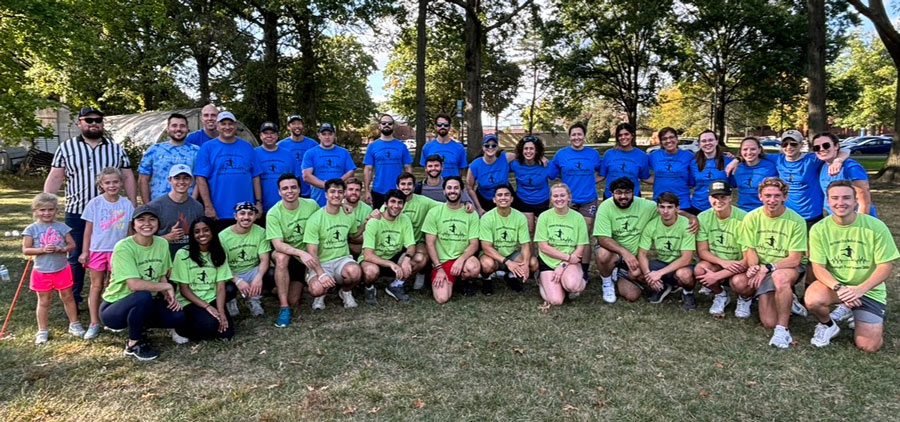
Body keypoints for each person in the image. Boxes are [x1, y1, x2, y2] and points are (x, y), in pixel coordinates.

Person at [44, 106, 136, 310]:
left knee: (116, 255)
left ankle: (113, 299)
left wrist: (133, 203)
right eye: (89, 120)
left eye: (98, 120)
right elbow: (56, 176)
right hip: (77, 210)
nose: (94, 123)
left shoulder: (116, 148)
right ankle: (75, 299)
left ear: (102, 123)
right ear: (80, 123)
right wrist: (47, 204)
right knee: (76, 256)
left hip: (112, 212)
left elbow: (127, 176)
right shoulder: (66, 148)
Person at [804, 180, 898, 352]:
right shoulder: (819, 229)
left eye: (846, 198)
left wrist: (860, 289)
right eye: (835, 198)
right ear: (828, 201)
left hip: (868, 290)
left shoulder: (876, 227)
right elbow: (818, 267)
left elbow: (885, 266)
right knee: (813, 299)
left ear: (855, 201)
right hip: (836, 287)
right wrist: (839, 288)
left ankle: (852, 308)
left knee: (869, 346)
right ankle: (828, 325)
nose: (841, 202)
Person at [100, 205, 186, 361]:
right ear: (133, 224)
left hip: (147, 300)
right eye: (141, 220)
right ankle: (134, 344)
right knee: (142, 295)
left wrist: (167, 294)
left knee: (177, 316)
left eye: (152, 219)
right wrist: (166, 286)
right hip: (115, 306)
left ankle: (140, 325)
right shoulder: (123, 247)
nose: (147, 224)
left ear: (158, 223)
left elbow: (161, 274)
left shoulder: (161, 243)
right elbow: (134, 285)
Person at [731, 177, 807, 349]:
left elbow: (795, 259)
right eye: (768, 195)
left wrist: (768, 268)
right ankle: (785, 298)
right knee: (740, 283)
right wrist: (754, 267)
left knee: (780, 278)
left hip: (786, 267)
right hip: (763, 266)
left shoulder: (796, 221)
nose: (772, 200)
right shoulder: (751, 217)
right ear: (760, 196)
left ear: (784, 197)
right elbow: (750, 248)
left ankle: (782, 330)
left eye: (777, 196)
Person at [78, 167, 134, 340]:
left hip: (118, 251)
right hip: (97, 250)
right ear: (101, 184)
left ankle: (111, 319)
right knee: (97, 286)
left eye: (115, 182)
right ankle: (94, 322)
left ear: (121, 183)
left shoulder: (126, 204)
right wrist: (85, 251)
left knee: (114, 286)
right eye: (107, 182)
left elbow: (130, 231)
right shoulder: (95, 204)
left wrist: (131, 251)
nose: (112, 185)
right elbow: (87, 231)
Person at [22, 193, 83, 344]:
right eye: (42, 210)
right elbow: (26, 250)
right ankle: (42, 330)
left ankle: (74, 324)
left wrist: (62, 249)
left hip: (62, 268)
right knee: (44, 301)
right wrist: (42, 250)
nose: (47, 213)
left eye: (50, 209)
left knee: (68, 297)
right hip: (42, 271)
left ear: (56, 210)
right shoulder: (31, 229)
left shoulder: (62, 227)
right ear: (35, 211)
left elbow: (72, 245)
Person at [593, 177, 666, 303]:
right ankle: (607, 282)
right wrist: (625, 253)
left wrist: (690, 217)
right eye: (619, 193)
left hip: (633, 257)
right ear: (612, 193)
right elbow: (602, 238)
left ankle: (619, 272)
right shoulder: (605, 206)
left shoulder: (646, 205)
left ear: (634, 192)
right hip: (614, 252)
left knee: (632, 295)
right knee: (603, 254)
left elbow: (668, 211)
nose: (623, 196)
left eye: (627, 192)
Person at [549, 122, 602, 281]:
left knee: (584, 235)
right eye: (573, 134)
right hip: (568, 201)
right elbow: (552, 174)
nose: (576, 137)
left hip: (588, 200)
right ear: (569, 137)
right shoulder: (561, 154)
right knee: (568, 233)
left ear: (584, 136)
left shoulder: (593, 154)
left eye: (579, 134)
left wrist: (590, 182)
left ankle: (584, 270)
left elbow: (602, 173)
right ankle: (567, 264)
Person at [266, 173, 320, 327]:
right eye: (285, 188)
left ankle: (280, 288)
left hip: (309, 255)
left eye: (293, 187)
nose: (289, 191)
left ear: (299, 189)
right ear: (279, 192)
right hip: (291, 256)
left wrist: (343, 206)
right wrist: (300, 253)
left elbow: (325, 217)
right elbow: (278, 245)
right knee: (281, 257)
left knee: (294, 300)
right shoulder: (274, 213)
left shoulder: (311, 205)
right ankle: (284, 307)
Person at [194, 111, 263, 232]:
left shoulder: (247, 147)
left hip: (246, 212)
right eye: (223, 123)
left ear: (235, 126)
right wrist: (208, 206)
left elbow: (255, 177)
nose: (227, 127)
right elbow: (200, 178)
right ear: (217, 126)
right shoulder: (207, 147)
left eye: (230, 123)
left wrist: (258, 202)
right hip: (219, 212)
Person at [170, 217, 236, 341]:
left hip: (211, 297)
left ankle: (213, 319)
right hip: (190, 301)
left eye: (206, 230)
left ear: (212, 231)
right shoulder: (183, 254)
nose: (201, 234)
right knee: (211, 325)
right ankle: (179, 329)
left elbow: (220, 287)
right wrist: (207, 307)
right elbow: (184, 290)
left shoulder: (219, 253)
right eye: (197, 231)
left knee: (227, 333)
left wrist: (221, 311)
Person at [303, 179, 364, 308]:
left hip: (342, 260)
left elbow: (353, 235)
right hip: (321, 262)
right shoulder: (315, 219)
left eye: (340, 192)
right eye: (332, 192)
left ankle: (345, 292)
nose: (336, 195)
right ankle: (320, 296)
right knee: (316, 289)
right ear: (326, 194)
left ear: (344, 194)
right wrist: (322, 274)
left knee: (355, 272)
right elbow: (312, 253)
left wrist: (366, 222)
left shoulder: (348, 214)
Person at [422, 176, 481, 303]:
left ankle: (464, 280)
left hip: (462, 259)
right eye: (449, 188)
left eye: (456, 188)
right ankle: (440, 277)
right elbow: (430, 244)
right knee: (442, 298)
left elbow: (474, 244)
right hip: (442, 262)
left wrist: (461, 260)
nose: (452, 191)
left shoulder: (471, 213)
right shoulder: (434, 212)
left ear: (461, 191)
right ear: (444, 191)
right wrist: (439, 268)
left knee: (473, 267)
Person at [694, 180, 747, 316]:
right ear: (709, 198)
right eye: (715, 197)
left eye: (723, 197)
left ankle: (745, 298)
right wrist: (722, 262)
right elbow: (702, 251)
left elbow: (748, 258)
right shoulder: (703, 217)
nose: (719, 201)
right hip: (718, 262)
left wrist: (718, 275)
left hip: (739, 263)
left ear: (730, 198)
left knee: (739, 283)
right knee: (700, 269)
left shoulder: (744, 218)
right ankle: (721, 294)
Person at [637, 192, 697, 308]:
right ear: (657, 208)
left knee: (684, 275)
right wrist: (649, 275)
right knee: (636, 272)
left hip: (683, 265)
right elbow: (642, 253)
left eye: (670, 207)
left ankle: (688, 293)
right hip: (663, 263)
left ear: (677, 209)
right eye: (662, 207)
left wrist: (659, 273)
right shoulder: (651, 225)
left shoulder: (687, 225)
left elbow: (686, 259)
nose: (665, 211)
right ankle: (662, 287)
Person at [534, 183, 589, 306]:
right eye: (555, 196)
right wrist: (567, 257)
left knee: (573, 286)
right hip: (549, 261)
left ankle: (573, 281)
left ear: (569, 197)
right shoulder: (544, 217)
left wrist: (564, 264)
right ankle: (542, 281)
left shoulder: (578, 218)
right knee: (556, 301)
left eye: (562, 195)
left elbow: (580, 248)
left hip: (570, 263)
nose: (559, 199)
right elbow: (543, 247)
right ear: (551, 199)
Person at [359, 189, 416, 302]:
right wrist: (390, 264)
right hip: (374, 259)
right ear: (385, 204)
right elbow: (368, 255)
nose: (396, 206)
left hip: (394, 256)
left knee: (416, 259)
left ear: (403, 205)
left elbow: (411, 245)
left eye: (400, 203)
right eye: (393, 202)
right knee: (371, 271)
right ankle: (369, 288)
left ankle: (396, 285)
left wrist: (407, 259)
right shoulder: (374, 222)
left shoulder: (405, 219)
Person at [479, 185, 537, 294]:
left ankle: (511, 276)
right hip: (493, 256)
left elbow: (525, 244)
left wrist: (525, 264)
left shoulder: (520, 217)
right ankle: (487, 279)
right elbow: (486, 248)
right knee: (486, 264)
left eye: (506, 195)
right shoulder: (487, 218)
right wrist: (507, 262)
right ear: (494, 200)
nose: (503, 198)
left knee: (533, 263)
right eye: (499, 195)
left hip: (511, 254)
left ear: (511, 199)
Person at [219, 202, 271, 317]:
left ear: (255, 216)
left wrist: (258, 278)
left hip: (252, 269)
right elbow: (222, 265)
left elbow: (264, 259)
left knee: (271, 273)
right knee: (226, 287)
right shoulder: (223, 236)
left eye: (250, 214)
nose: (246, 217)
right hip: (232, 272)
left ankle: (254, 300)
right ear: (235, 216)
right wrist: (237, 281)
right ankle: (230, 301)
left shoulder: (261, 232)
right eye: (242, 213)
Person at [393, 172, 442, 290]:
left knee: (420, 258)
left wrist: (465, 204)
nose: (406, 187)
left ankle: (418, 273)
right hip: (395, 242)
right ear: (397, 186)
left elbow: (444, 207)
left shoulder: (423, 201)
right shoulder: (392, 202)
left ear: (414, 187)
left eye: (409, 184)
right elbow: (379, 216)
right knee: (401, 263)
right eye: (403, 184)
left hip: (416, 242)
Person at [138, 113, 199, 203]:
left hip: (186, 204)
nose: (178, 129)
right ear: (167, 129)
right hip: (158, 204)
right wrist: (147, 206)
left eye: (182, 126)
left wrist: (192, 202)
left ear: (188, 129)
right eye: (174, 125)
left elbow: (199, 180)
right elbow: (143, 179)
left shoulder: (196, 151)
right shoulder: (154, 150)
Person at [811, 132, 876, 217]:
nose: (821, 149)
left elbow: (864, 202)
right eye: (817, 147)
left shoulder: (851, 167)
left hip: (855, 219)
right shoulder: (822, 166)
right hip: (837, 219)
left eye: (826, 145)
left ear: (836, 146)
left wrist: (859, 222)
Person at [147, 164, 205, 257]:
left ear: (191, 181)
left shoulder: (197, 207)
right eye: (177, 178)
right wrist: (167, 237)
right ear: (170, 180)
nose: (181, 182)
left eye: (186, 178)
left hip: (189, 258)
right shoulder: (155, 206)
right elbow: (145, 238)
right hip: (163, 257)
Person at [363, 114, 413, 209]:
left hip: (398, 190)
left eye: (390, 123)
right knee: (378, 216)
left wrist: (408, 188)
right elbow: (368, 169)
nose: (387, 125)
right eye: (384, 123)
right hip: (378, 190)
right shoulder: (372, 146)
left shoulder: (401, 146)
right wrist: (367, 190)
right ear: (379, 126)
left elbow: (408, 168)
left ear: (393, 126)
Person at [301, 123, 356, 207]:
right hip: (318, 199)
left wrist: (338, 183)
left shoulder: (344, 152)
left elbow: (351, 171)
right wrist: (327, 185)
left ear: (334, 135)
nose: (327, 137)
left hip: (339, 198)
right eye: (324, 134)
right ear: (319, 135)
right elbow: (306, 176)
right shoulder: (310, 153)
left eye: (330, 134)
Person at [508, 136, 551, 238]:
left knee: (543, 232)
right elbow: (500, 166)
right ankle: (530, 249)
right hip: (524, 201)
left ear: (537, 151)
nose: (528, 151)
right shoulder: (516, 165)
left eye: (531, 148)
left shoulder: (545, 164)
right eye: (525, 148)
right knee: (529, 231)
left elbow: (557, 173)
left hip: (542, 200)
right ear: (521, 150)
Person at [599, 122, 651, 199]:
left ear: (632, 135)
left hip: (633, 198)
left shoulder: (641, 156)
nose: (623, 137)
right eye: (620, 135)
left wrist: (667, 179)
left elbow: (645, 177)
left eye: (626, 134)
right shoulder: (609, 154)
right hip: (610, 198)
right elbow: (601, 176)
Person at [255, 121, 297, 215]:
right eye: (266, 133)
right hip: (262, 207)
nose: (269, 136)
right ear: (260, 136)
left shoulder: (288, 154)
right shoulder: (254, 154)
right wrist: (258, 202)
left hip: (286, 206)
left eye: (272, 133)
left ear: (277, 136)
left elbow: (296, 180)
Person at [647, 127, 694, 210]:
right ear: (661, 142)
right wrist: (659, 180)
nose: (668, 141)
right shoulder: (654, 156)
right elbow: (642, 173)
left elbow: (693, 178)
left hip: (682, 203)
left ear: (677, 139)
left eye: (671, 137)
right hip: (660, 202)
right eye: (664, 139)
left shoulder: (688, 156)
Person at [688, 130, 733, 215]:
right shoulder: (694, 163)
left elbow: (734, 183)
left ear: (716, 141)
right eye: (704, 141)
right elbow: (691, 183)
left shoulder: (729, 161)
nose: (707, 143)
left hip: (720, 206)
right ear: (699, 144)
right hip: (698, 207)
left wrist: (737, 159)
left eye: (710, 140)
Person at [466, 134, 510, 214]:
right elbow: (469, 188)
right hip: (484, 199)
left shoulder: (505, 158)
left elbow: (523, 156)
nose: (490, 148)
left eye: (493, 145)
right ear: (483, 147)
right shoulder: (475, 165)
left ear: (497, 147)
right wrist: (479, 208)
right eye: (487, 145)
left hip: (503, 197)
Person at [277, 115, 318, 198]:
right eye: (293, 124)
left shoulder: (312, 144)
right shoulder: (281, 145)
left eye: (299, 123)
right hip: (290, 190)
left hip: (310, 189)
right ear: (288, 127)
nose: (297, 126)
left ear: (303, 126)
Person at [733, 137, 778, 212]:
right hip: (743, 211)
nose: (749, 152)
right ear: (740, 151)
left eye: (753, 149)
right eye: (745, 149)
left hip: (763, 211)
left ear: (759, 150)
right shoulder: (736, 167)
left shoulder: (770, 167)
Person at [419, 113, 468, 177]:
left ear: (450, 127)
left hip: (453, 182)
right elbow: (426, 170)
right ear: (435, 127)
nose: (442, 127)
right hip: (434, 183)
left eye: (446, 125)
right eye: (439, 125)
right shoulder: (427, 147)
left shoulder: (459, 148)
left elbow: (462, 170)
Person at [344, 178, 373, 257]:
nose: (354, 192)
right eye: (351, 189)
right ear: (344, 192)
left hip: (361, 246)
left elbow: (368, 235)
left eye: (357, 190)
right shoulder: (338, 207)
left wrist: (351, 238)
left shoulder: (367, 209)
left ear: (361, 192)